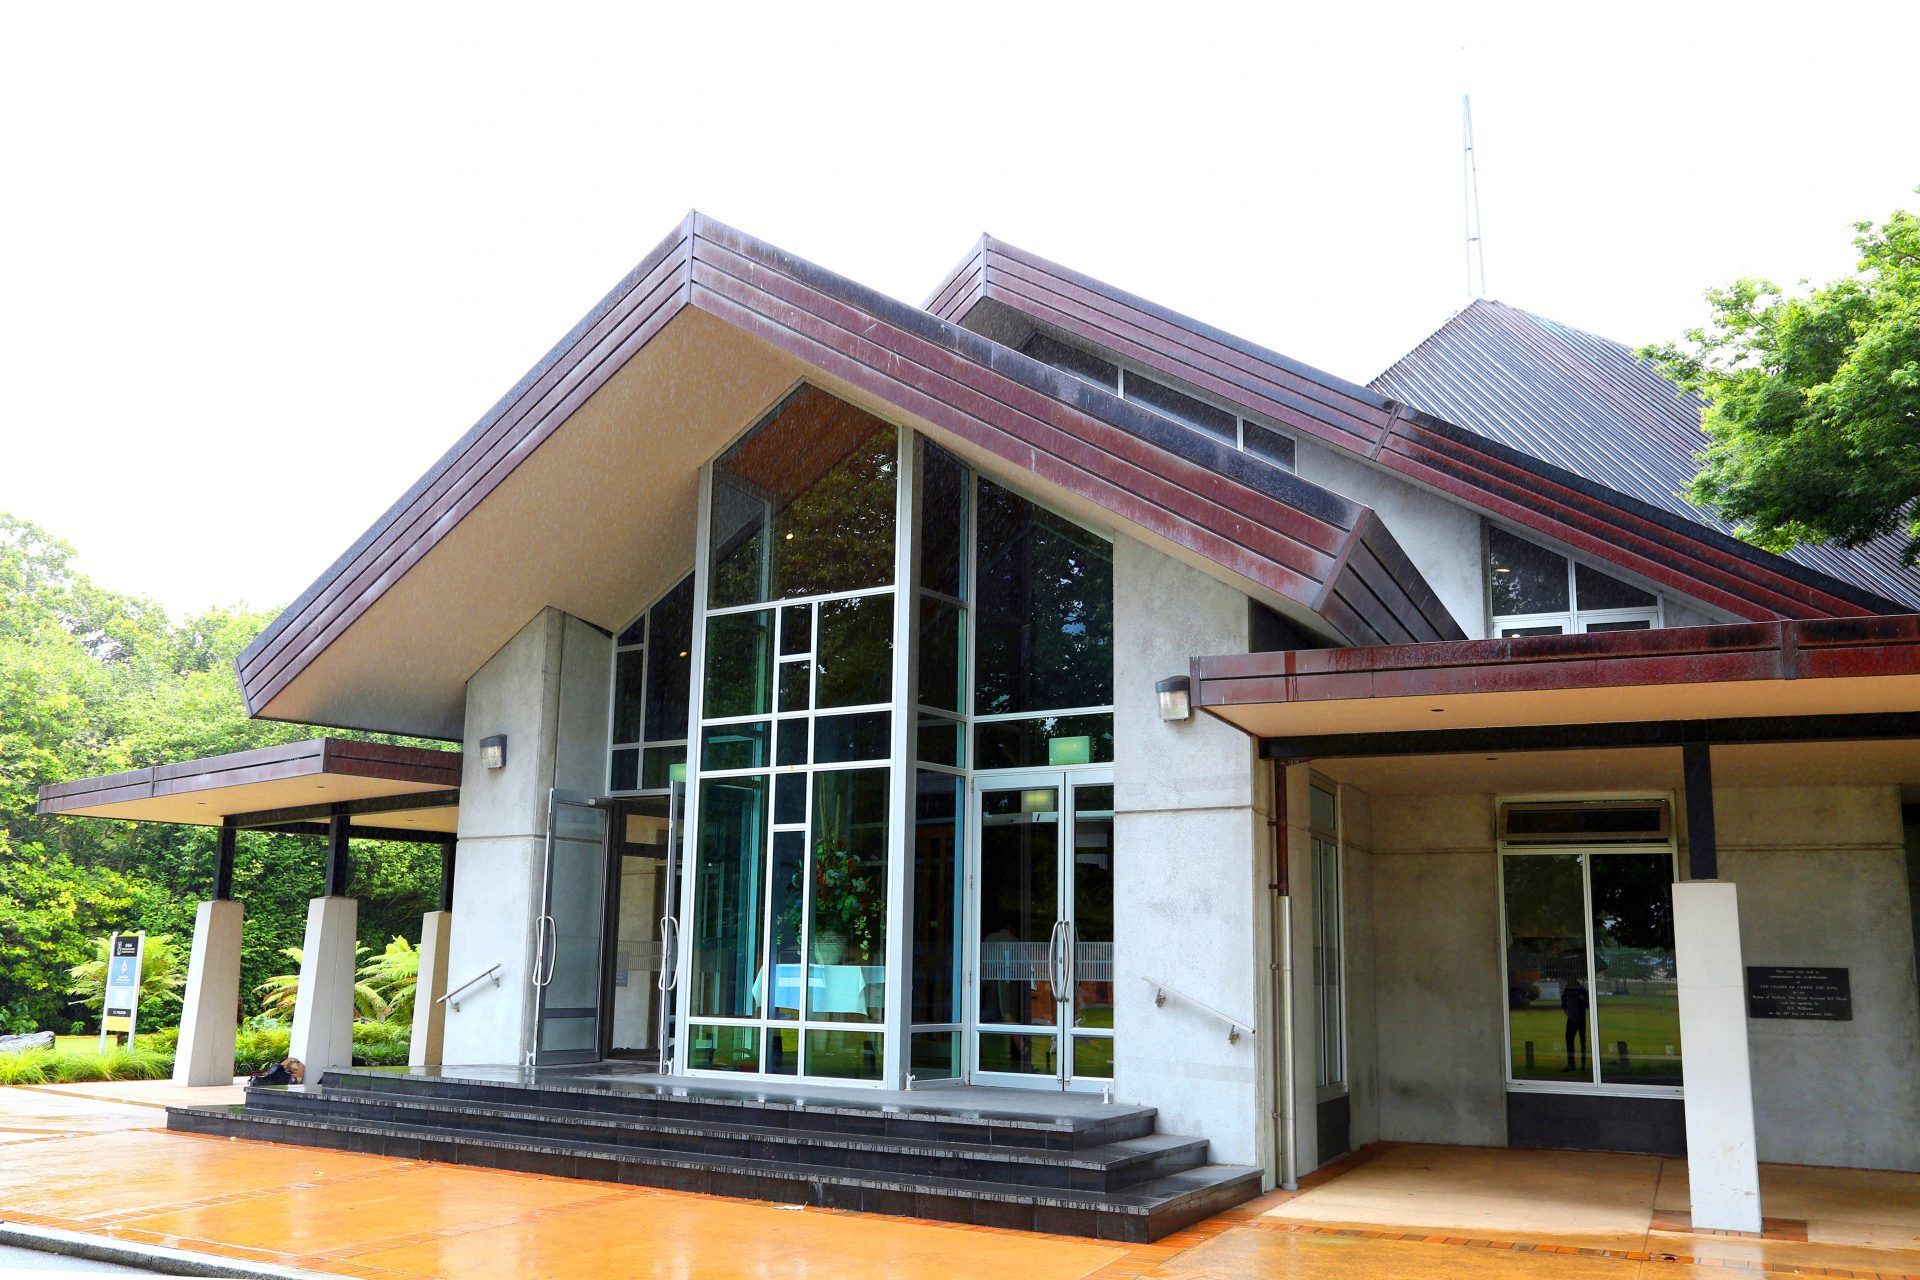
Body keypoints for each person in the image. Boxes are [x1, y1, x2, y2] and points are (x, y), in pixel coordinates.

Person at [1561, 978, 1590, 1072]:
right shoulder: (1567, 990)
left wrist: (1581, 997)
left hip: (1581, 1017)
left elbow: (1588, 1003)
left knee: (1582, 1041)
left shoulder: (1582, 990)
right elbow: (1563, 1000)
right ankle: (1571, 1063)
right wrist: (1565, 1009)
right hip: (1571, 1018)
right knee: (1569, 1040)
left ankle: (1583, 1064)